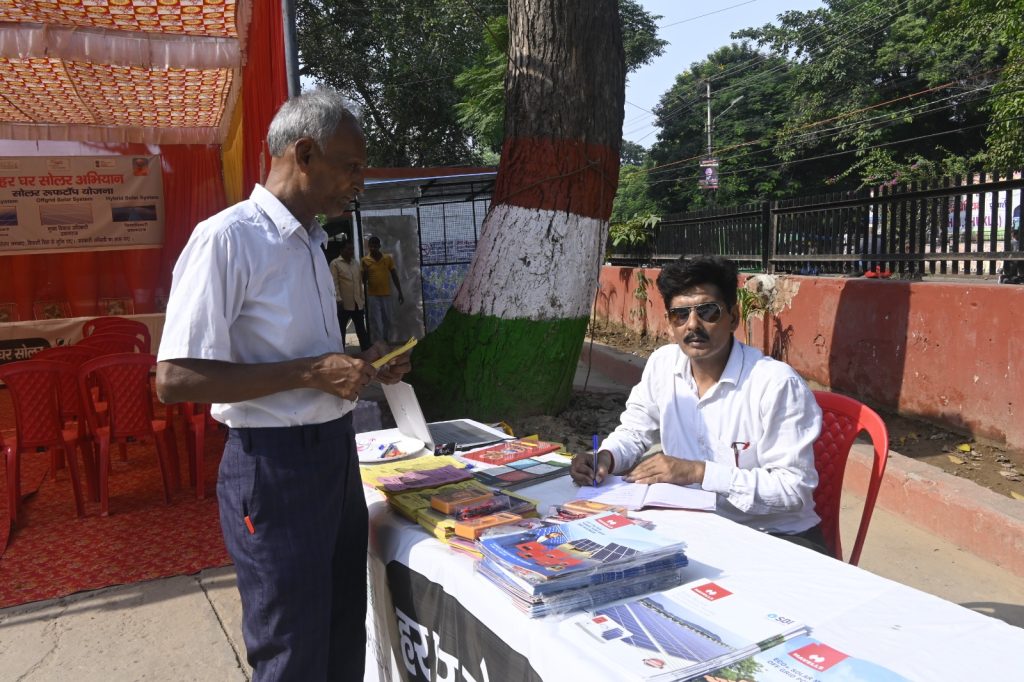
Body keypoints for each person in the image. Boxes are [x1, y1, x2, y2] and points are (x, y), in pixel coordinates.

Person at [155, 89, 411, 681]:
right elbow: (174, 378)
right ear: (304, 153)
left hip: (334, 458)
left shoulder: (310, 241)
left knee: (344, 633)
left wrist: (360, 364)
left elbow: (303, 359)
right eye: (351, 166)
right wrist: (310, 372)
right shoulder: (227, 239)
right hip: (272, 471)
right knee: (292, 650)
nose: (359, 180)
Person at [570, 256, 826, 552]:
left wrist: (698, 472)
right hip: (696, 527)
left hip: (775, 537)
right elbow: (634, 432)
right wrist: (605, 458)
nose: (693, 325)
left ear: (733, 316)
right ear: (669, 323)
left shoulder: (776, 384)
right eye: (680, 314)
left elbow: (794, 489)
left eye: (708, 311)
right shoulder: (662, 365)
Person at [362, 235, 404, 343]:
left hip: (386, 294)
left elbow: (394, 275)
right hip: (373, 296)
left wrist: (400, 292)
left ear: (379, 246)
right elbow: (363, 280)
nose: (373, 248)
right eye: (371, 246)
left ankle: (386, 339)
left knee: (388, 320)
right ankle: (380, 344)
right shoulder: (365, 260)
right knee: (377, 322)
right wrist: (365, 272)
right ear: (368, 246)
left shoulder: (387, 258)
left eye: (375, 246)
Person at [330, 238, 371, 350]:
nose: (351, 251)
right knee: (341, 331)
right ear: (342, 250)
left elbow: (359, 282)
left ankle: (366, 352)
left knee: (361, 330)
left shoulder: (355, 263)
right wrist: (338, 299)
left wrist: (362, 299)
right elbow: (334, 283)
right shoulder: (335, 264)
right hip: (344, 304)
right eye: (348, 249)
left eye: (352, 249)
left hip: (357, 303)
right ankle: (340, 353)